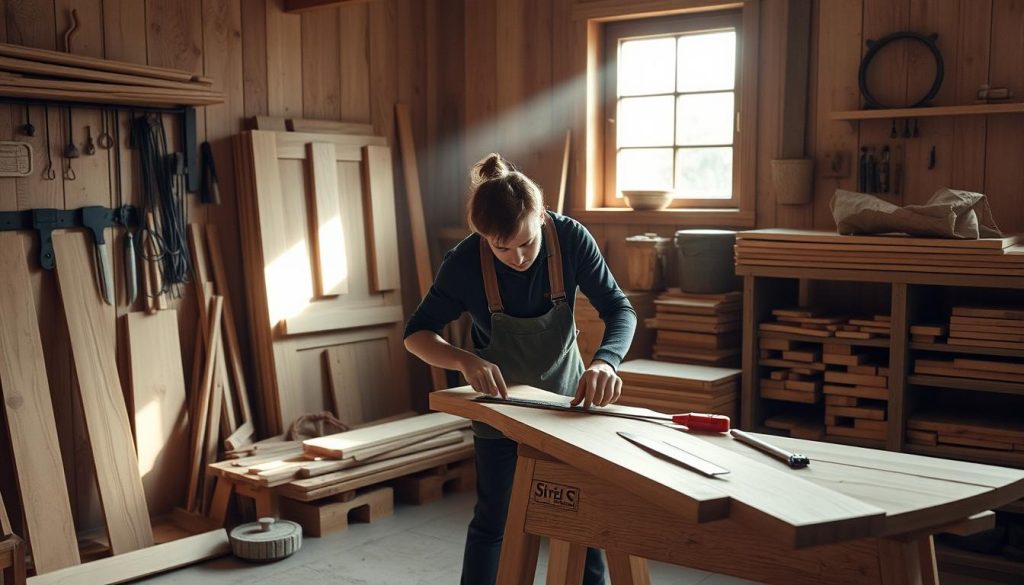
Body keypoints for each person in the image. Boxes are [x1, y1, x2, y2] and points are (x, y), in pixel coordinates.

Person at [404, 153, 637, 585]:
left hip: (570, 406)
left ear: (542, 215)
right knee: (495, 521)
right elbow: (416, 334)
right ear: (482, 237)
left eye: (528, 242)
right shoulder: (464, 261)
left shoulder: (570, 238)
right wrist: (464, 360)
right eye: (501, 247)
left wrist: (606, 362)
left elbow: (620, 310)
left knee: (584, 520)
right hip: (501, 413)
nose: (518, 257)